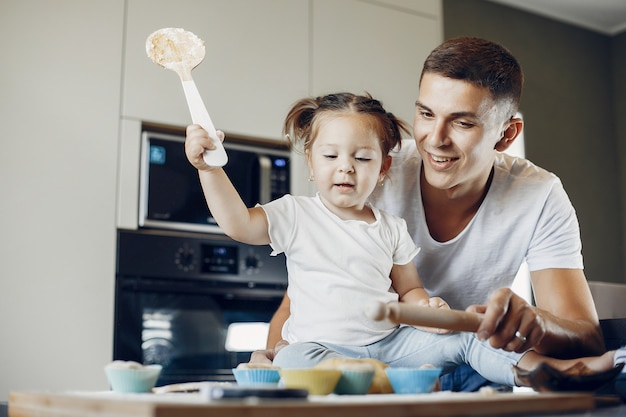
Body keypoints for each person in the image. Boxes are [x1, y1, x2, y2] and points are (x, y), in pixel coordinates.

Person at [186, 91, 621, 389]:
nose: (346, 168)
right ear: (311, 162)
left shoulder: (390, 226)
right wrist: (209, 169)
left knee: (467, 337)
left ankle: (540, 372)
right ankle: (368, 378)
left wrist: (426, 305)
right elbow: (238, 224)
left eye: (362, 158)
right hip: (318, 347)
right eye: (331, 156)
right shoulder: (294, 214)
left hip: (391, 345)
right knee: (292, 361)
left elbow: (408, 287)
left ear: (384, 168)